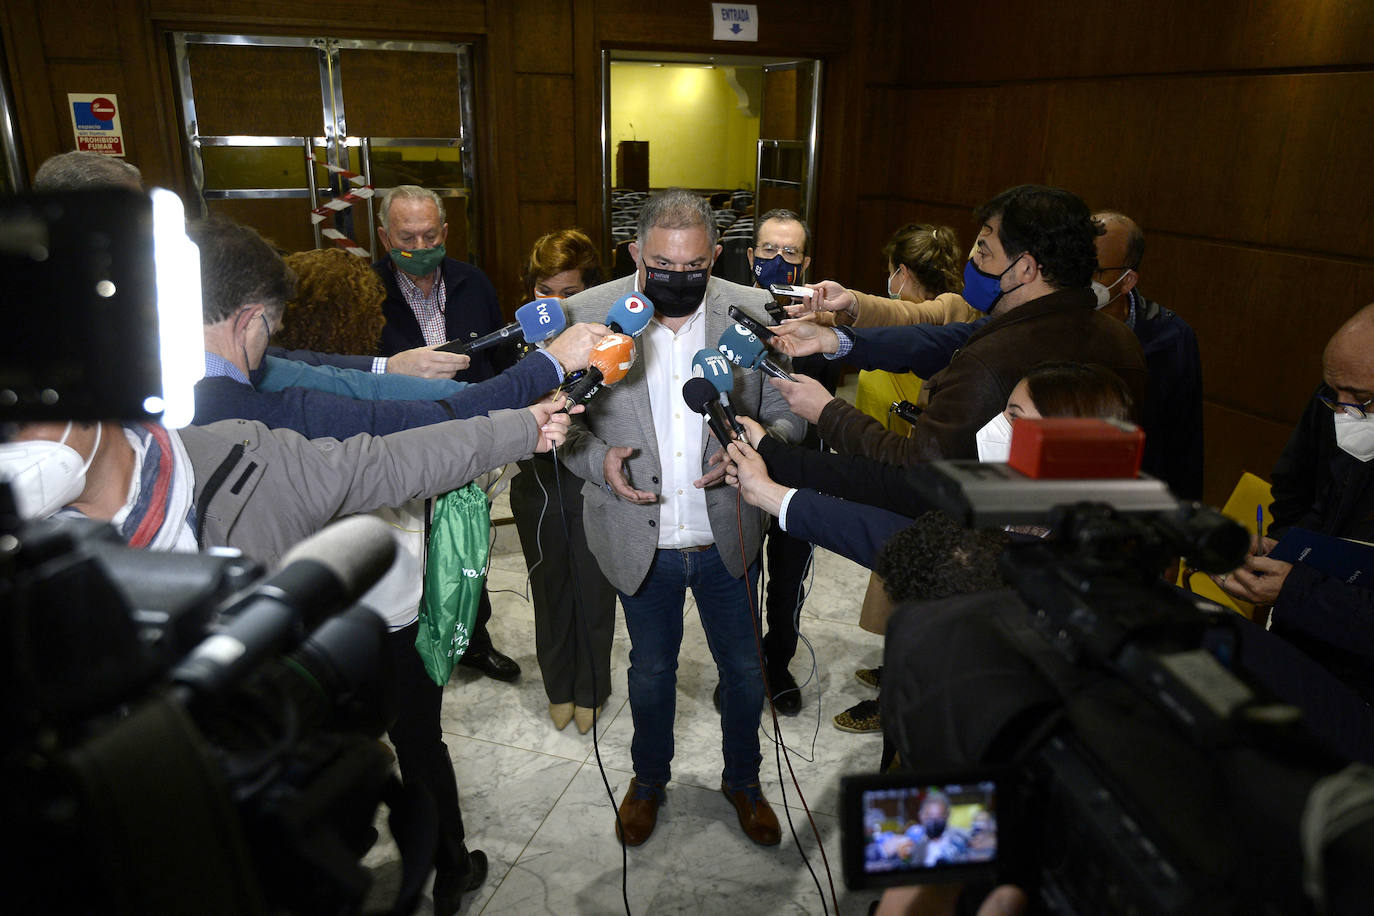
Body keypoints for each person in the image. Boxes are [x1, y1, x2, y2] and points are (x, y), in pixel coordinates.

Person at [557, 188, 805, 848]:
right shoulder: (588, 317)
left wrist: (759, 442)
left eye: (694, 267)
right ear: (636, 254)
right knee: (651, 672)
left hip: (729, 534)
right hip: (639, 540)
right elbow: (561, 428)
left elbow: (796, 413)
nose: (679, 279)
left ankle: (744, 782)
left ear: (715, 256)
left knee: (746, 673)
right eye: (663, 266)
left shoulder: (751, 313)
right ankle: (647, 781)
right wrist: (599, 460)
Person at [767, 185, 1149, 464]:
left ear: (1027, 268)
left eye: (984, 250)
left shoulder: (997, 359)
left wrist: (827, 410)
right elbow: (932, 337)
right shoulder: (1120, 340)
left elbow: (916, 466)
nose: (974, 261)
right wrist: (834, 339)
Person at [1211, 304, 1374, 703]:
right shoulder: (1337, 402)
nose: (1343, 413)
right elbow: (1307, 501)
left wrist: (1297, 588)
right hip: (1307, 655)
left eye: (1363, 399)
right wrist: (1282, 550)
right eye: (1333, 394)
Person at [507, 229, 619, 733]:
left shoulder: (612, 342)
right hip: (537, 485)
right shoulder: (514, 341)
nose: (555, 303)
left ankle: (592, 687)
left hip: (592, 482)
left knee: (594, 590)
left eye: (570, 293)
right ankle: (558, 684)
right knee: (549, 589)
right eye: (543, 290)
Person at [736, 207, 825, 717]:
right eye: (768, 250)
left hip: (800, 471)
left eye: (789, 252)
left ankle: (778, 663)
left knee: (787, 578)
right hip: (741, 466)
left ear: (805, 261)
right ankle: (742, 669)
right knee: (741, 574)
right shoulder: (725, 310)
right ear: (751, 256)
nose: (777, 260)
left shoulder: (821, 325)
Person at [1091, 211, 1204, 500]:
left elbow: (1184, 444)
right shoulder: (1055, 320)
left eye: (1095, 270)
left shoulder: (1171, 338)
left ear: (1127, 281)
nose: (1080, 278)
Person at [373, 184, 511, 384]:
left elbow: (500, 357)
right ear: (385, 238)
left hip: (476, 409)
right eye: (407, 237)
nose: (420, 247)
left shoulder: (474, 282)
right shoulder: (366, 294)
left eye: (430, 236)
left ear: (444, 234)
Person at [792, 222, 977, 328]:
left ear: (902, 272)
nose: (889, 280)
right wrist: (825, 319)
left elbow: (900, 319)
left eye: (891, 272)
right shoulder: (896, 313)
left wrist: (850, 301)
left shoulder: (946, 309)